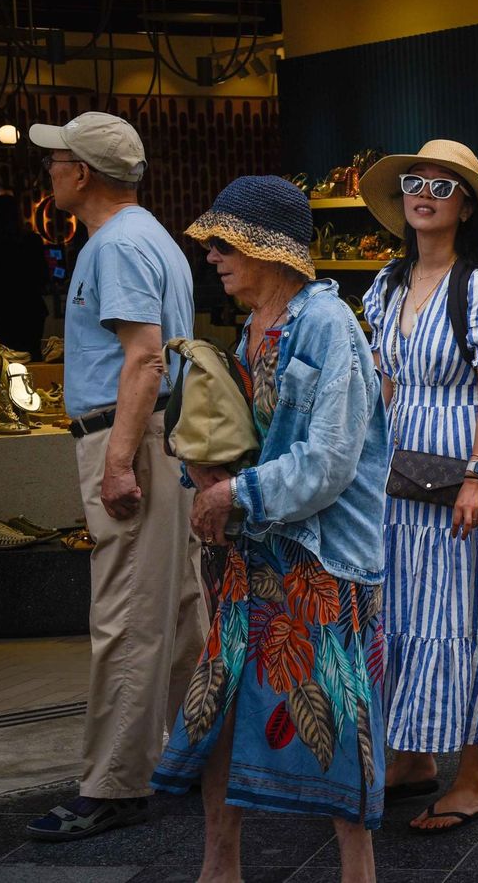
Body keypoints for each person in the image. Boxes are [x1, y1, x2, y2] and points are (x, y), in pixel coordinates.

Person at [152, 176, 390, 882]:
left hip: (322, 558)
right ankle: (218, 865)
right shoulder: (256, 328)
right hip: (254, 554)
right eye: (212, 243)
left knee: (340, 722)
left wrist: (235, 491)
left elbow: (329, 461)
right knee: (220, 709)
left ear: (270, 247)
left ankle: (359, 872)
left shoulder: (328, 324)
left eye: (227, 241)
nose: (214, 254)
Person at [24, 113, 207, 842]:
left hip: (132, 434)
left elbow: (143, 358)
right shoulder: (148, 236)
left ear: (85, 173)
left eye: (57, 160)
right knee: (180, 610)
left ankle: (115, 785)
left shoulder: (116, 248)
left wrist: (118, 460)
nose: (50, 171)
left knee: (127, 616)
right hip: (162, 437)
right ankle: (191, 756)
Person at [358, 140, 478, 833]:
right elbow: (387, 378)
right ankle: (412, 758)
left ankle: (474, 777)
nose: (423, 193)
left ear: (465, 208)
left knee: (459, 618)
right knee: (403, 611)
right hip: (400, 467)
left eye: (442, 185)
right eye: (412, 182)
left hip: (461, 462)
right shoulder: (391, 282)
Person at [0, 191, 49, 355]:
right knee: (33, 356)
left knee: (8, 358)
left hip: (3, 309)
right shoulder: (32, 240)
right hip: (31, 308)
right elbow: (43, 276)